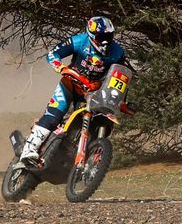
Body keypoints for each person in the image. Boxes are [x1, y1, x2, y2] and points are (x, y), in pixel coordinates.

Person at [18, 15, 129, 168]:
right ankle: (29, 150)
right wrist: (61, 67)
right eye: (101, 37)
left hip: (91, 93)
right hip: (69, 85)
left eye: (108, 37)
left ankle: (72, 159)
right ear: (91, 35)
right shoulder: (79, 41)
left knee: (92, 122)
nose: (105, 42)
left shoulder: (118, 52)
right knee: (54, 116)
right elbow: (52, 54)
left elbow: (120, 77)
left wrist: (121, 100)